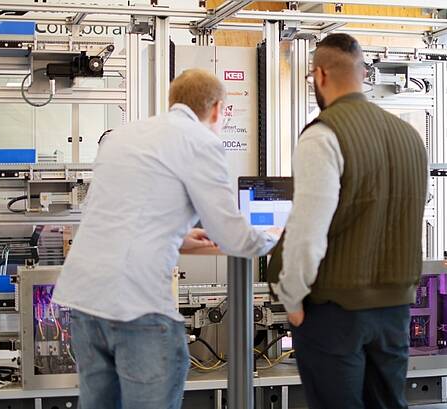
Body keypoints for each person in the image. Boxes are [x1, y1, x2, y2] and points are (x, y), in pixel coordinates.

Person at [52, 69, 278, 409]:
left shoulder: (122, 136)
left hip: (84, 301)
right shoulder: (201, 141)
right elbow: (233, 237)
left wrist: (180, 236)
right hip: (136, 306)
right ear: (217, 109)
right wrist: (274, 235)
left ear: (174, 101)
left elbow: (119, 213)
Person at [268, 33, 428, 409]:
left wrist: (290, 299)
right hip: (394, 310)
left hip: (334, 312)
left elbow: (308, 233)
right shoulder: (410, 137)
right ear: (364, 74)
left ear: (319, 75)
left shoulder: (323, 135)